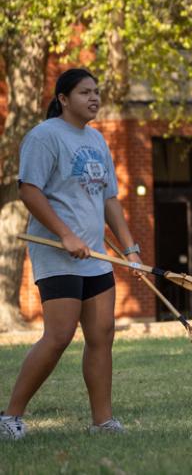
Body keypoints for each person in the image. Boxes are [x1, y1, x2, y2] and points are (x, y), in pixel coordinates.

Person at [0, 68, 142, 440]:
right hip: (58, 254)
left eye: (96, 92)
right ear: (63, 99)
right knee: (59, 335)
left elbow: (109, 199)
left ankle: (103, 420)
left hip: (94, 256)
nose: (94, 98)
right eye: (84, 92)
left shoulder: (97, 140)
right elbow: (29, 191)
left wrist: (131, 249)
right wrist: (64, 235)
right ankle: (10, 416)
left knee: (102, 334)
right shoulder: (44, 137)